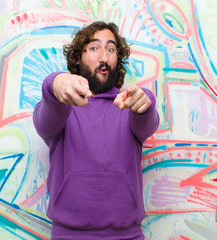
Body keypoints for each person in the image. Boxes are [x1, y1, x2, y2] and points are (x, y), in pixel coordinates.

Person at [33, 21, 159, 240]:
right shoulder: (60, 108)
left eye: (110, 49)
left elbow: (148, 121)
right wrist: (54, 82)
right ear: (78, 58)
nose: (104, 57)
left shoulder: (128, 105)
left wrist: (146, 101)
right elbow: (45, 117)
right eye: (94, 48)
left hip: (127, 236)